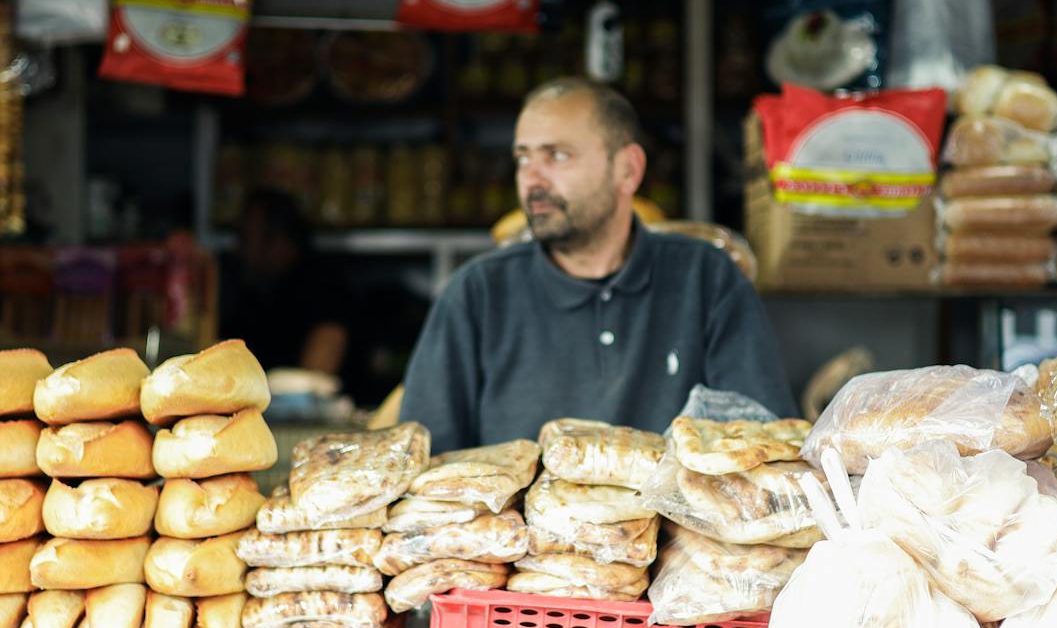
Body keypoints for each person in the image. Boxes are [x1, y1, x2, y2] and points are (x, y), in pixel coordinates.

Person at [400, 77, 796, 453]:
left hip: (675, 524)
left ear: (628, 170)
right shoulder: (476, 294)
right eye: (523, 159)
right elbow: (428, 468)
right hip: (517, 525)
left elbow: (761, 441)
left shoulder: (706, 279)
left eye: (557, 156)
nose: (532, 180)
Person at [219, 187, 351, 378]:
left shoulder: (323, 286)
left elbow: (316, 376)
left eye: (245, 238)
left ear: (277, 241)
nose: (238, 249)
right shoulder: (250, 291)